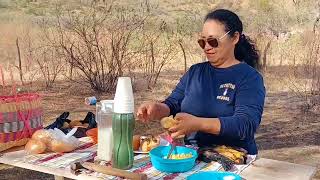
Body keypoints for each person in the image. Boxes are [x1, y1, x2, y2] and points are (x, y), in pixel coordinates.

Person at [136, 9, 266, 155]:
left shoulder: (249, 77)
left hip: (234, 157)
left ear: (235, 38)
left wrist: (198, 123)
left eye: (212, 41)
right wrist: (156, 109)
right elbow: (173, 104)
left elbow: (245, 124)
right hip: (193, 155)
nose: (206, 47)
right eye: (202, 42)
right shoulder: (195, 72)